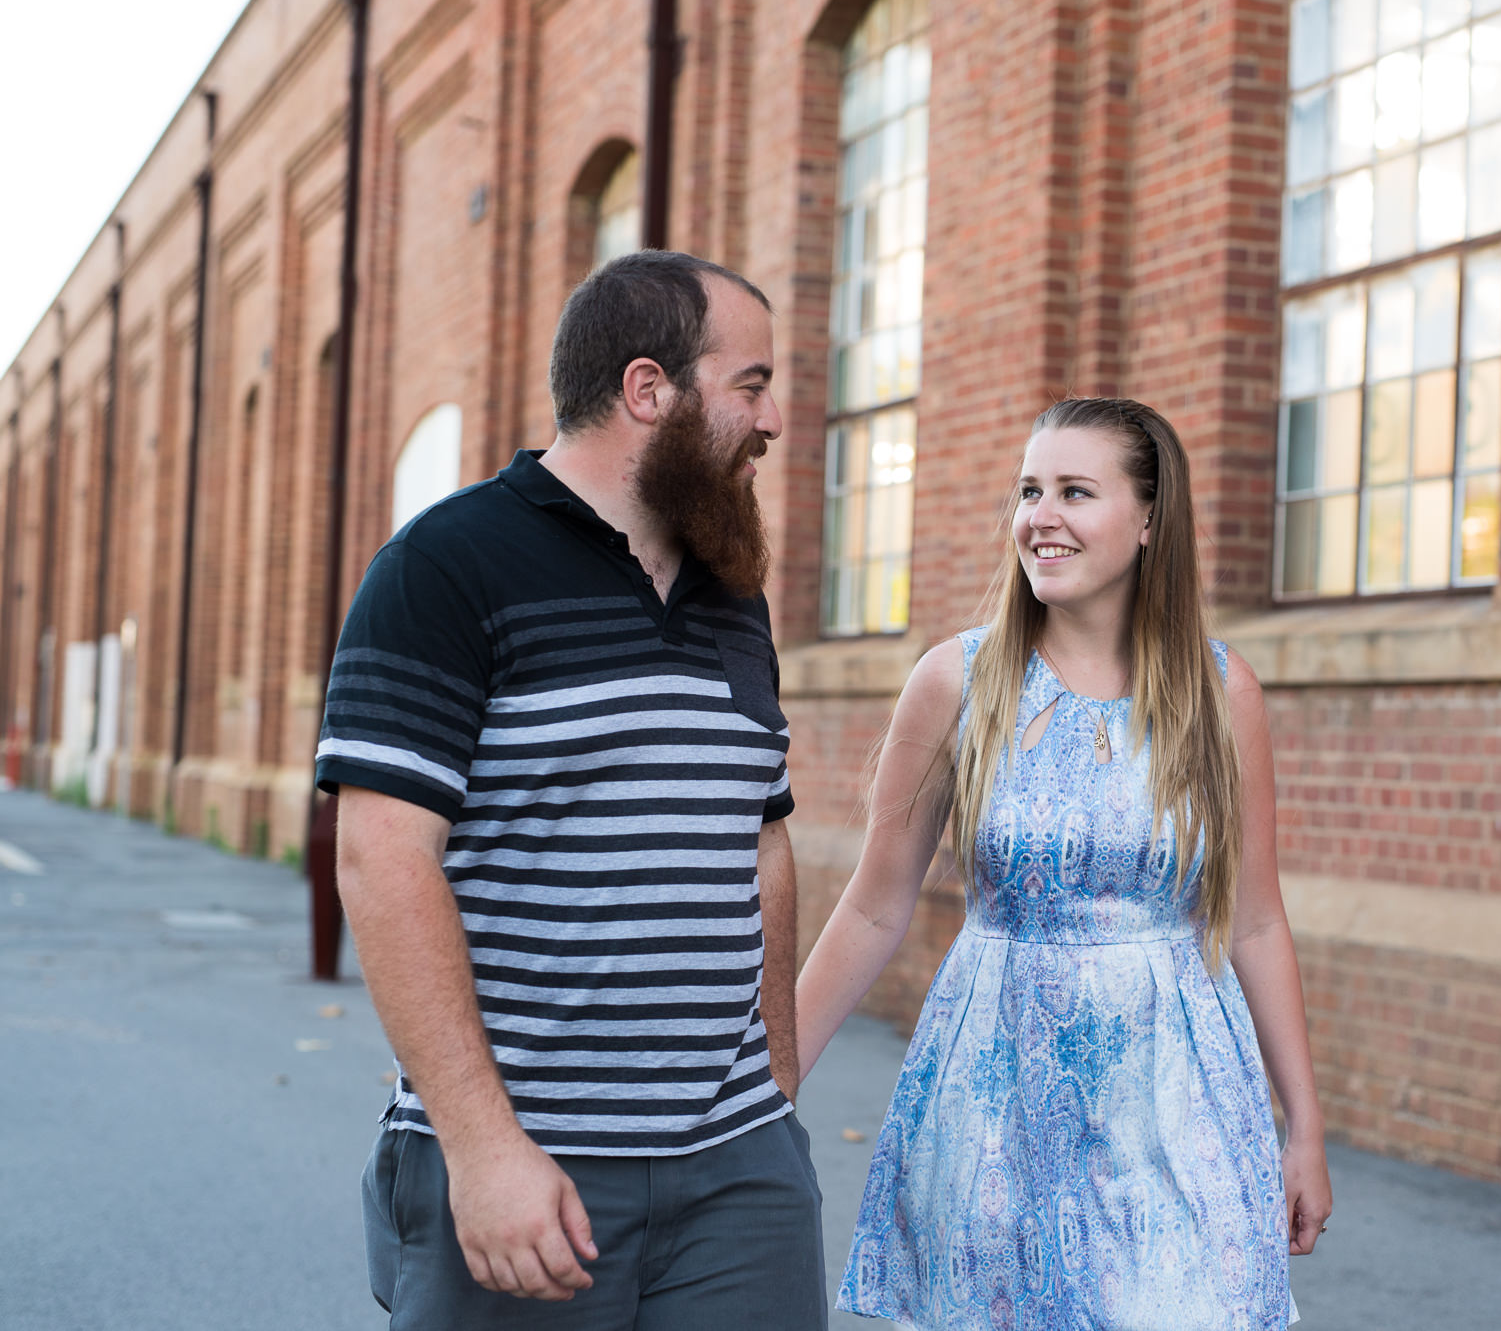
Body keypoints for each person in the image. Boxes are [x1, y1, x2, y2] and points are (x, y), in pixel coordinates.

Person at [316, 250, 827, 1328]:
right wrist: (482, 1143)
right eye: (750, 384)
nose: (774, 418)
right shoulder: (444, 565)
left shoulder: (733, 592)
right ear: (650, 390)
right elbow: (382, 855)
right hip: (528, 1164)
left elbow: (761, 838)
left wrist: (774, 1093)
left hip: (736, 1171)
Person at [795, 397, 1334, 1329]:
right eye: (1029, 490)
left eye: (1076, 491)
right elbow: (875, 909)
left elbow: (1253, 919)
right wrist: (769, 1082)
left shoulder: (1219, 690)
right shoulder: (958, 681)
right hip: (999, 1097)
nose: (1040, 516)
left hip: (1177, 1096)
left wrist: (1306, 1125)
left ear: (1150, 518)